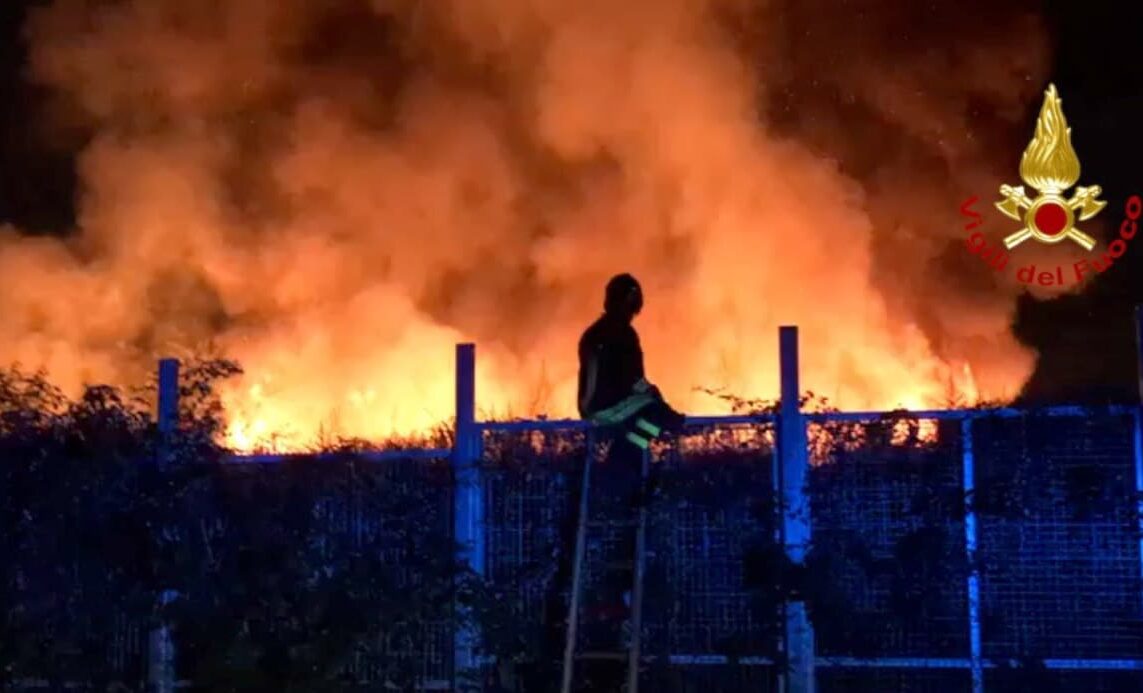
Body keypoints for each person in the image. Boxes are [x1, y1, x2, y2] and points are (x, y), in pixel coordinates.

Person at [577, 272, 686, 463]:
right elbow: (634, 379)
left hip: (592, 404)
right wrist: (660, 403)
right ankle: (622, 464)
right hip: (603, 406)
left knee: (648, 416)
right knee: (655, 415)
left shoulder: (594, 332)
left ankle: (625, 458)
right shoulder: (622, 334)